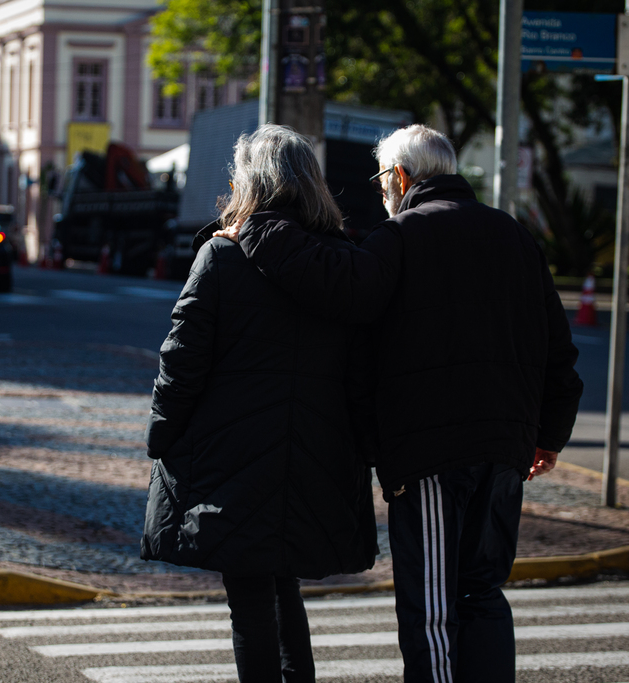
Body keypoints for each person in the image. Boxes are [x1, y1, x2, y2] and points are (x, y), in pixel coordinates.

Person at [214, 124, 583, 683]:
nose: (382, 192)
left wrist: (262, 231)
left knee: (431, 608)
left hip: (432, 453)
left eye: (382, 179)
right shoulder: (513, 234)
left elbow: (336, 287)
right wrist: (548, 437)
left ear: (402, 177)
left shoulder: (401, 237)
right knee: (482, 594)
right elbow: (559, 349)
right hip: (507, 451)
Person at [140, 124, 379, 683]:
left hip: (233, 460)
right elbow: (365, 374)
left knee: (251, 601)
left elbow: (181, 363)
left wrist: (161, 436)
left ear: (250, 182)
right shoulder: (344, 259)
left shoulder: (222, 258)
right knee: (282, 584)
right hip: (318, 460)